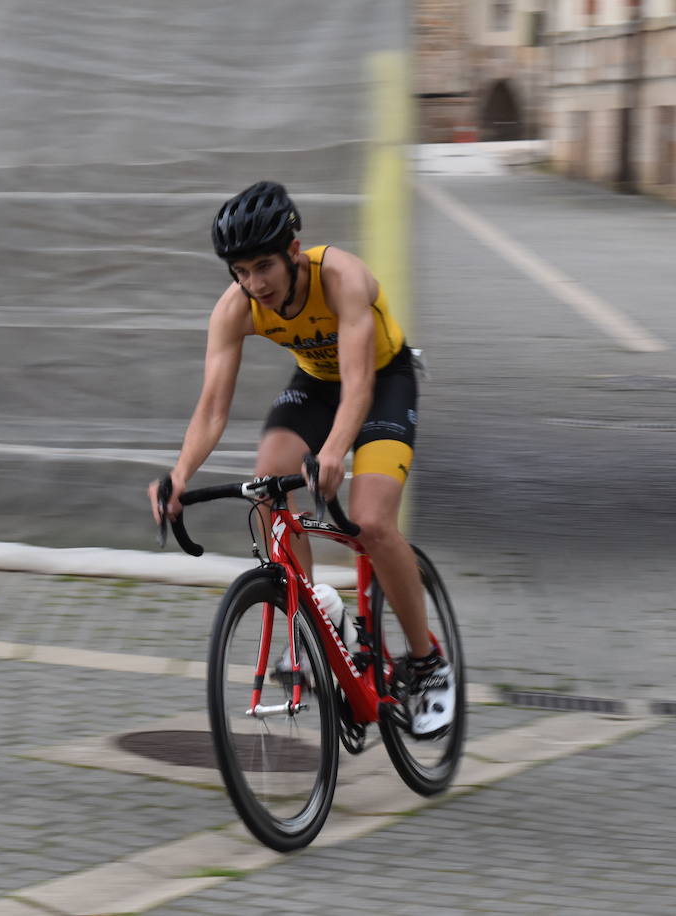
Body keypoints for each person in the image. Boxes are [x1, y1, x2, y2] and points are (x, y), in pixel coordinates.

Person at [147, 180, 454, 737]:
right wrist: (178, 474)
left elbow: (359, 386)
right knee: (265, 486)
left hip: (382, 381)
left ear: (293, 250)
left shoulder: (343, 278)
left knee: (374, 522)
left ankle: (426, 661)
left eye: (263, 265)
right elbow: (212, 409)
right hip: (316, 385)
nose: (254, 284)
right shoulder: (235, 308)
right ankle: (313, 617)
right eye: (240, 271)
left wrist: (335, 451)